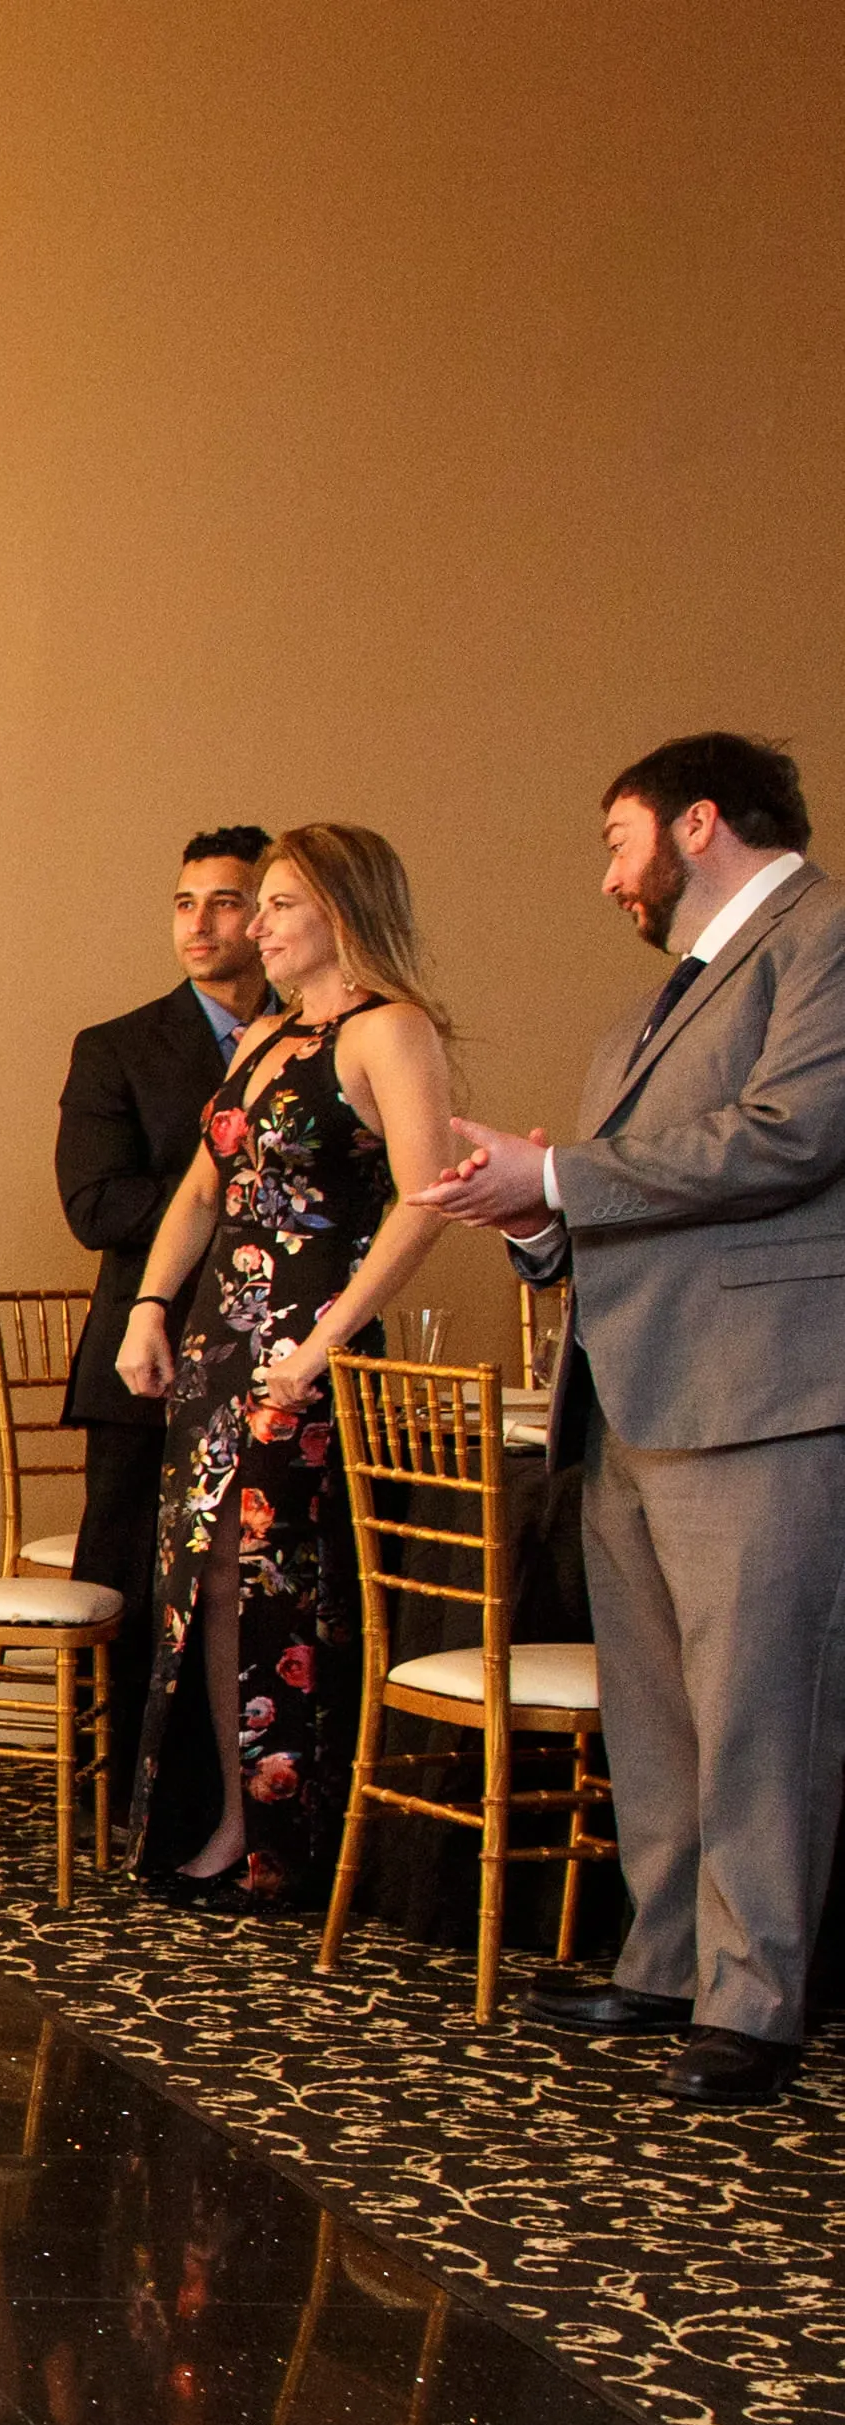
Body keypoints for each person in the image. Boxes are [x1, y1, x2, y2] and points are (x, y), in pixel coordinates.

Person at [423, 732, 845, 2106]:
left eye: (617, 841)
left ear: (696, 821)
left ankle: (754, 2000)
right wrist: (527, 1209)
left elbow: (787, 1136)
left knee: (760, 1711)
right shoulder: (654, 1007)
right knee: (656, 1708)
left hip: (763, 1391)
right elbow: (616, 1196)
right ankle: (663, 1961)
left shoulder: (823, 936)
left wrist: (557, 1171)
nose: (608, 876)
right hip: (629, 1390)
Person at [108, 823, 457, 1909]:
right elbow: (204, 1191)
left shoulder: (388, 1030)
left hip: (312, 1345)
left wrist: (328, 1340)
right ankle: (229, 1817)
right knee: (208, 1586)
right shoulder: (264, 1035)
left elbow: (425, 1195)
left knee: (283, 1589)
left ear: (343, 912)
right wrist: (149, 1306)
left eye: (279, 905)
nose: (253, 925)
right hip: (221, 1343)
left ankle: (288, 1838)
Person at [56, 827, 278, 1800]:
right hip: (141, 1361)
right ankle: (111, 1801)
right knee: (132, 1590)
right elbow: (94, 1208)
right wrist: (243, 1200)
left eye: (226, 901)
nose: (201, 921)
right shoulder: (115, 1048)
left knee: (252, 1589)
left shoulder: (319, 1039)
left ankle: (236, 1792)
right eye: (185, 902)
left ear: (267, 914)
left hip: (275, 1359)